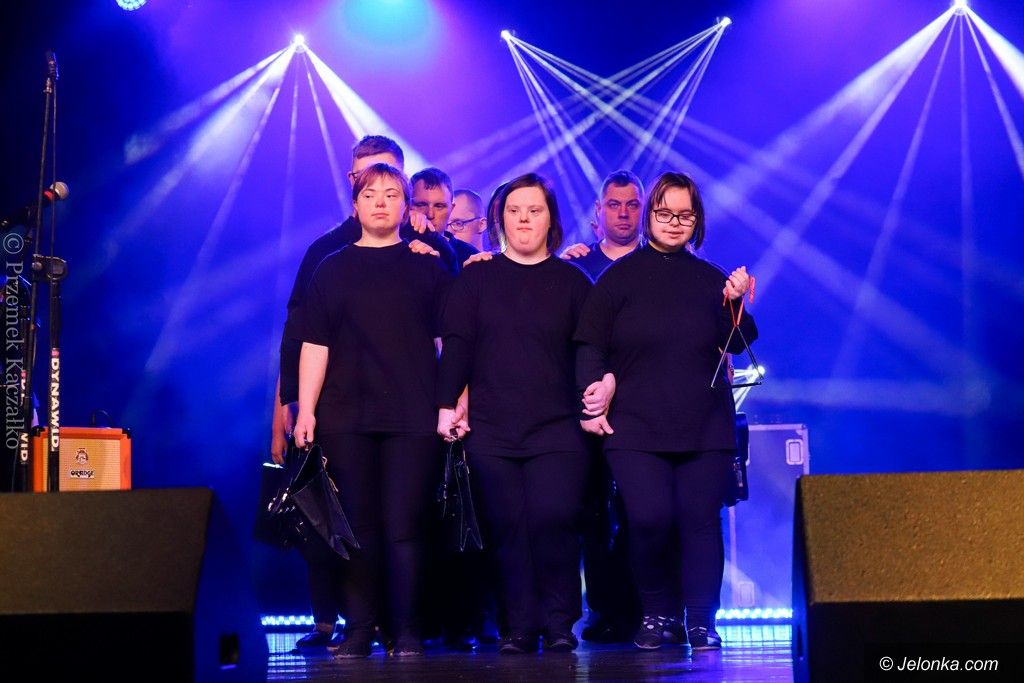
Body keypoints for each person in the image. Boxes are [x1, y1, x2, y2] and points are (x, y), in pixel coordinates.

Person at [270, 135, 452, 650]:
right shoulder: (330, 266)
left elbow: (448, 341)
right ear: (355, 203)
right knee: (356, 527)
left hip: (412, 415)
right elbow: (313, 344)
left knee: (405, 526)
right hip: (347, 416)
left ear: (406, 205)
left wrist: (451, 402)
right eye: (370, 194)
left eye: (391, 195)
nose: (380, 203)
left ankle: (407, 630)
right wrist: (305, 409)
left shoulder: (427, 264)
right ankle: (360, 629)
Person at [574, 171, 757, 652]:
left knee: (699, 521)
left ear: (697, 220)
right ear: (649, 215)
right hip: (635, 426)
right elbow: (590, 344)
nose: (674, 222)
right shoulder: (617, 279)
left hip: (704, 423)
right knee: (649, 518)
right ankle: (658, 613)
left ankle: (700, 620)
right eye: (665, 212)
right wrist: (593, 396)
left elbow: (738, 342)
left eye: (685, 215)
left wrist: (736, 303)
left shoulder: (712, 279)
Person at [436, 173, 591, 654]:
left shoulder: (573, 282)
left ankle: (559, 622)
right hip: (492, 428)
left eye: (534, 210)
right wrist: (447, 404)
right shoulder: (476, 279)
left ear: (551, 220)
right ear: (500, 219)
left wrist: (598, 394)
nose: (524, 219)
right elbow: (457, 346)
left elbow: (590, 351)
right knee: (508, 528)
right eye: (514, 211)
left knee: (553, 520)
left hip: (559, 427)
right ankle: (519, 625)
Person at [562, 170, 644, 281]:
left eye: (632, 205)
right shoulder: (577, 265)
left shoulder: (659, 259)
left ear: (645, 208)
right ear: (598, 209)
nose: (623, 213)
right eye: (614, 205)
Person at [411, 168, 479, 265]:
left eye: (439, 206)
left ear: (451, 208)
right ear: (407, 206)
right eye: (421, 205)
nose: (430, 214)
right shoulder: (394, 245)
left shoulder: (468, 255)